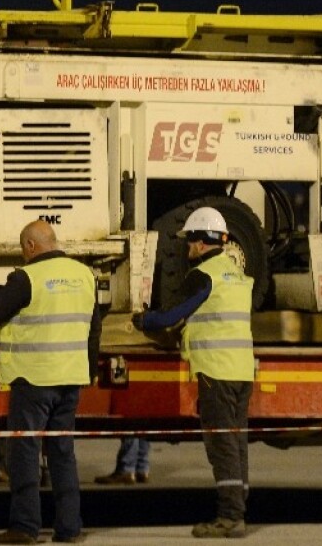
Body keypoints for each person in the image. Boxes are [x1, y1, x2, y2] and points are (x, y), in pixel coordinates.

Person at [0, 220, 99, 545]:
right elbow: (94, 328)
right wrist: (90, 369)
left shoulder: (27, 277)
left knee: (24, 452)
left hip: (34, 379)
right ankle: (69, 528)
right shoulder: (85, 276)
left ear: (30, 246)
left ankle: (25, 527)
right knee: (62, 453)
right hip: (70, 379)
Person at [134, 206, 253, 539]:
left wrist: (144, 320)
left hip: (216, 370)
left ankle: (230, 517)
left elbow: (172, 315)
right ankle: (239, 506)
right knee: (236, 441)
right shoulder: (236, 274)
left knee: (221, 444)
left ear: (202, 243)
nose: (187, 249)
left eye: (190, 242)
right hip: (242, 369)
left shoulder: (204, 275)